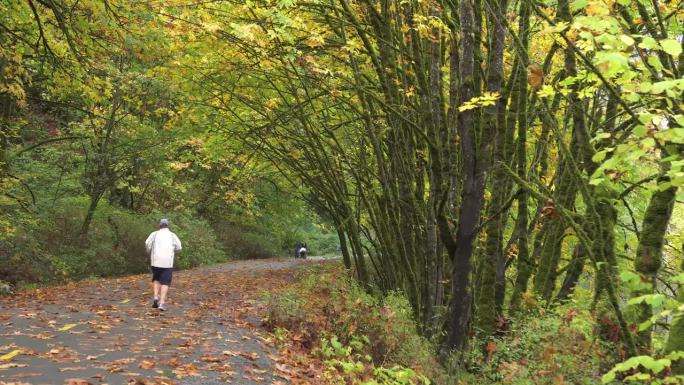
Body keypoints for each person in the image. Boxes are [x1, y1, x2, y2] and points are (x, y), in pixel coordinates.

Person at [145, 218, 182, 311]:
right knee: (165, 282)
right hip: (167, 263)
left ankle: (155, 297)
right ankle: (161, 303)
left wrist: (149, 250)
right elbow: (179, 247)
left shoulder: (154, 234)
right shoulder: (172, 235)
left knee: (156, 279)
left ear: (159, 225)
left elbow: (147, 243)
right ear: (167, 225)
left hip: (155, 261)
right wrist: (174, 251)